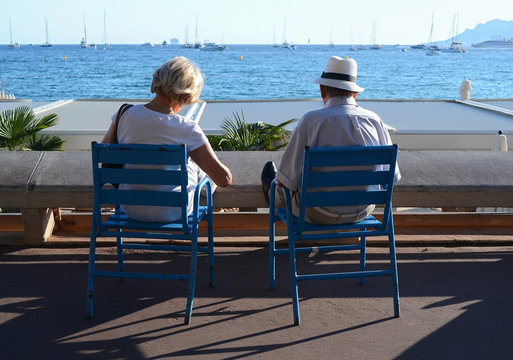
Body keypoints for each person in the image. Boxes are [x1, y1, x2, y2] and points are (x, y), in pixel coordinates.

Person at [261, 55, 400, 225]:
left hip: (317, 212)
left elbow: (286, 180)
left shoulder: (311, 121)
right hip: (362, 210)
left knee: (278, 183)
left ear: (322, 90)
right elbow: (391, 178)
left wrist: (279, 181)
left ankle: (271, 198)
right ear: (355, 93)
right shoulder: (375, 121)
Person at [102, 56, 232, 222]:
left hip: (131, 208)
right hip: (174, 211)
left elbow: (105, 152)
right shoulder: (188, 128)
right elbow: (224, 180)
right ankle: (205, 186)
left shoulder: (124, 114)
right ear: (186, 95)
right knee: (191, 163)